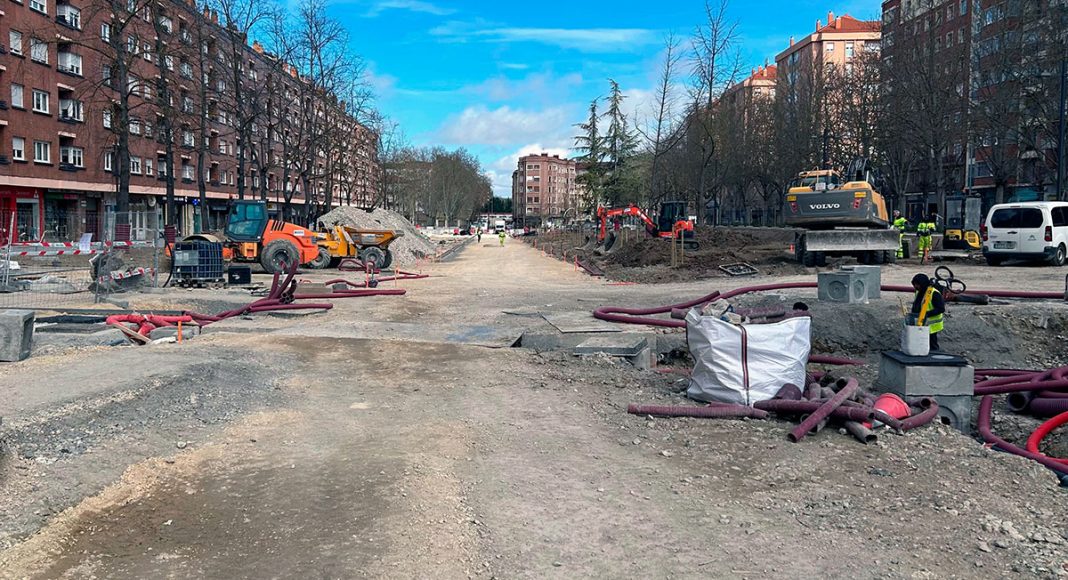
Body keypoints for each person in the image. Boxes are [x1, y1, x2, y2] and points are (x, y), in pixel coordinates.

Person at [910, 273, 945, 352]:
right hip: (921, 323)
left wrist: (927, 314)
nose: (915, 287)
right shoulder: (919, 292)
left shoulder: (934, 293)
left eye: (917, 285)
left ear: (922, 284)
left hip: (932, 325)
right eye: (914, 284)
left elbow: (941, 309)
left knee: (932, 345)